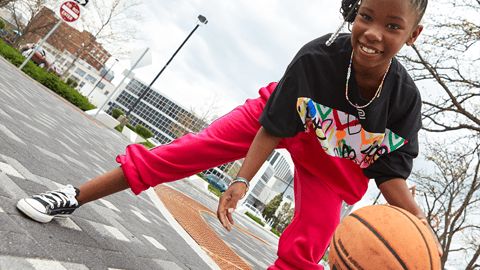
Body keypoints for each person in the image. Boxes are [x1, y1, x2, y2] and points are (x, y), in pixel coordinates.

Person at [17, 0, 442, 269]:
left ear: (412, 34)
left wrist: (422, 233)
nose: (373, 33)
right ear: (353, 12)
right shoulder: (319, 56)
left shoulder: (404, 100)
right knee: (185, 152)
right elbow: (275, 124)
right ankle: (72, 195)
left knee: (305, 252)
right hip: (281, 121)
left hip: (334, 160)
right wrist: (241, 179)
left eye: (392, 25)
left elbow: (390, 176)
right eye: (366, 16)